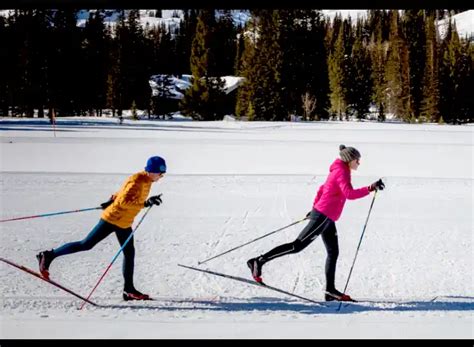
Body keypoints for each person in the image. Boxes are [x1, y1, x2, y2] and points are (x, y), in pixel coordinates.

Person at [247, 145, 384, 302]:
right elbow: (349, 194)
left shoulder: (338, 170)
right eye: (357, 160)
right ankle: (258, 261)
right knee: (296, 246)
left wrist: (314, 208)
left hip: (327, 217)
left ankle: (330, 291)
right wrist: (370, 188)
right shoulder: (342, 171)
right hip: (323, 216)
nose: (359, 163)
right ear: (349, 160)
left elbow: (322, 189)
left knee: (333, 252)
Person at [36, 156, 167, 301]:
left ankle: (129, 290)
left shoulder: (147, 180)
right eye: (159, 173)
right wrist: (145, 203)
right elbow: (124, 201)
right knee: (86, 244)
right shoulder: (137, 180)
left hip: (124, 222)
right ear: (150, 170)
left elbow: (121, 194)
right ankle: (48, 255)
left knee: (129, 253)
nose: (161, 176)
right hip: (113, 219)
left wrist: (111, 199)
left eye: (162, 174)